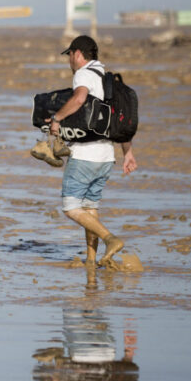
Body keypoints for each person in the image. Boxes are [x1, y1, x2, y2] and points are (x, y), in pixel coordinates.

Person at [49, 36, 137, 267]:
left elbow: (78, 99)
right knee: (90, 210)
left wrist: (57, 118)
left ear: (77, 54)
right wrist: (128, 152)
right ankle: (91, 260)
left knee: (71, 208)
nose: (69, 59)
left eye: (69, 54)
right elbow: (120, 119)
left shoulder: (84, 74)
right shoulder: (108, 79)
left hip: (85, 155)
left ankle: (111, 239)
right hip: (107, 156)